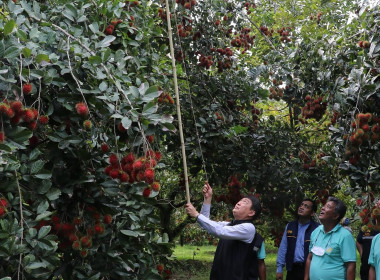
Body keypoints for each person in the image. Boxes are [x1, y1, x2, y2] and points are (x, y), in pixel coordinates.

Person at [185, 182, 264, 280]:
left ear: (251, 212)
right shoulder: (229, 225)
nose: (239, 203)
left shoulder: (249, 228)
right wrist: (207, 199)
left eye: (245, 202)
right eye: (240, 200)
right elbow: (206, 225)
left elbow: (219, 231)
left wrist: (196, 214)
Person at [304, 196, 356, 280]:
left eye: (328, 207)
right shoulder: (316, 232)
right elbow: (310, 258)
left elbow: (351, 266)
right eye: (324, 206)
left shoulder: (345, 236)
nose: (322, 208)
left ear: (335, 216)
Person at [276, 199, 319, 280]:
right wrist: (279, 269)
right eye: (301, 205)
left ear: (312, 213)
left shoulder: (317, 228)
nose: (302, 207)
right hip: (293, 269)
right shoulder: (290, 226)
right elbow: (283, 247)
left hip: (310, 269)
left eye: (306, 206)